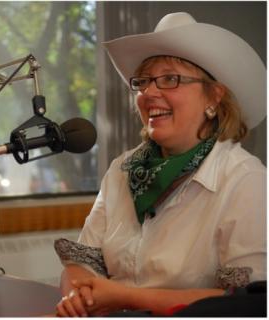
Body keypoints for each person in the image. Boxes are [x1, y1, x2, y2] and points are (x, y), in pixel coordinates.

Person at [54, 12, 266, 317]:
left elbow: (247, 304)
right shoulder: (122, 169)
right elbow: (82, 262)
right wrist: (80, 295)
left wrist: (124, 297)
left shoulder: (247, 181)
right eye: (143, 81)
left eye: (170, 79)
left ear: (214, 97)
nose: (149, 93)